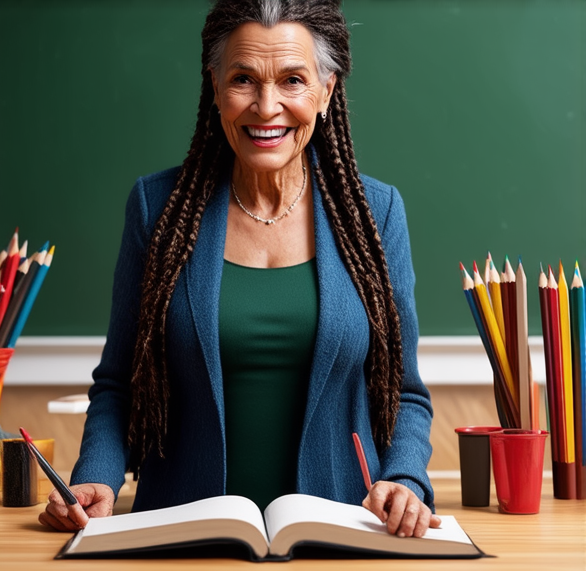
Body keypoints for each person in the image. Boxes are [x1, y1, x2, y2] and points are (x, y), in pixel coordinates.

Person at [40, 0, 441, 539]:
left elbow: (407, 393)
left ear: (326, 91)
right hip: (179, 535)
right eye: (244, 79)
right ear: (215, 85)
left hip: (345, 533)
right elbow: (119, 386)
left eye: (293, 80)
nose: (266, 105)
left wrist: (406, 479)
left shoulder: (375, 214)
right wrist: (97, 478)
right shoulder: (156, 208)